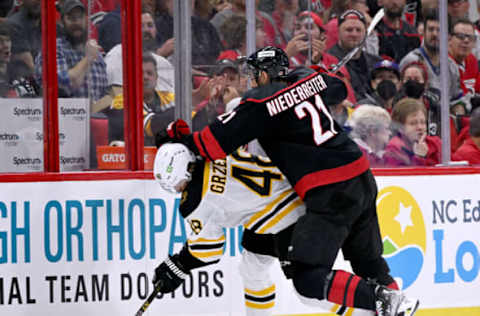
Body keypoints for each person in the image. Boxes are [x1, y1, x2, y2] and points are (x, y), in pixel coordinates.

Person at [157, 46, 419, 316]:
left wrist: (180, 138)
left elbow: (210, 144)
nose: (252, 80)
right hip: (360, 174)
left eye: (256, 74)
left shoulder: (259, 102)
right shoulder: (304, 78)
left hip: (328, 188)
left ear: (265, 74)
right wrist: (314, 77)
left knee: (308, 279)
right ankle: (394, 303)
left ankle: (388, 302)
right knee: (370, 264)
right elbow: (338, 90)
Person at [151, 142, 369, 316]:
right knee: (252, 269)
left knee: (308, 291)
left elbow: (209, 252)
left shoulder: (198, 200)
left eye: (178, 185)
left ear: (188, 171)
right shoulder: (211, 153)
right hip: (279, 201)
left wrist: (179, 264)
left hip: (287, 218)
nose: (178, 191)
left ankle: (366, 311)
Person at [35, 0, 108, 102]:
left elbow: (103, 95)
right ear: (62, 22)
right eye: (71, 18)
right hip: (63, 116)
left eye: (80, 17)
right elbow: (63, 86)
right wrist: (88, 59)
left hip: (95, 117)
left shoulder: (97, 55)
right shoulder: (53, 49)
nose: (76, 22)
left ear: (87, 20)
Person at [106, 52, 175, 146]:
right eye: (140, 73)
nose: (145, 77)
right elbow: (152, 126)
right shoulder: (121, 101)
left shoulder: (168, 97)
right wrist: (192, 104)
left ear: (156, 78)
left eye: (149, 73)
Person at [400, 9, 462, 102]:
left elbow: (456, 99)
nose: (435, 34)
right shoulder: (411, 61)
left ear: (448, 36)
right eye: (430, 29)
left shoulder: (451, 66)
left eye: (439, 30)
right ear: (423, 32)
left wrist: (460, 106)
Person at [328, 9, 382, 101]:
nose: (354, 34)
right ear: (338, 32)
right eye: (349, 30)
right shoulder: (328, 62)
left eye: (358, 30)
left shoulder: (376, 62)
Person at [384, 97, 441, 167]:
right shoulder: (394, 149)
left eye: (423, 122)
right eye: (413, 123)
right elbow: (408, 176)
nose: (420, 127)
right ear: (400, 127)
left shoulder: (435, 143)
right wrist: (420, 157)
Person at [6, 0, 41, 73]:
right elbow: (31, 67)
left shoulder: (52, 24)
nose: (38, 1)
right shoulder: (14, 25)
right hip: (25, 80)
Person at [448, 18, 480, 96]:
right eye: (460, 36)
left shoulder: (472, 59)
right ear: (449, 39)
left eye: (470, 37)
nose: (466, 40)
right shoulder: (442, 63)